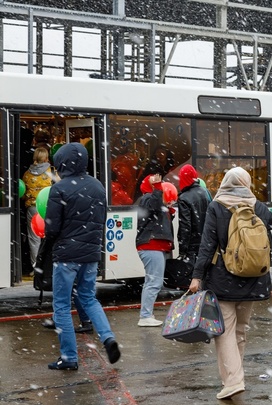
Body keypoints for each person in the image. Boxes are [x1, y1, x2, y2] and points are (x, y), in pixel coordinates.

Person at [188, 167, 272, 400]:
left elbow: (207, 245)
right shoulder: (255, 205)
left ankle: (233, 380)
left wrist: (197, 276)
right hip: (253, 276)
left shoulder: (217, 206)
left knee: (224, 332)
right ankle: (234, 377)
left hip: (223, 277)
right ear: (246, 184)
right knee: (240, 330)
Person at [44, 142, 120, 370]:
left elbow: (51, 229)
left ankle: (68, 357)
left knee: (61, 306)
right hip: (91, 253)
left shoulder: (59, 188)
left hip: (67, 255)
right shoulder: (98, 186)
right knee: (88, 298)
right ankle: (108, 338)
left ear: (62, 163)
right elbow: (101, 218)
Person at [135, 174, 175, 327]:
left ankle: (147, 314)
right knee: (154, 282)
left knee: (152, 281)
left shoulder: (151, 200)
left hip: (153, 246)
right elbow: (154, 205)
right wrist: (157, 188)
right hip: (151, 246)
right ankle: (145, 316)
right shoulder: (148, 198)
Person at [22, 147, 57, 267]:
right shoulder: (51, 172)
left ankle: (35, 267)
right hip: (49, 207)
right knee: (51, 236)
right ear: (46, 158)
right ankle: (48, 266)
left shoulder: (27, 174)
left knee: (34, 238)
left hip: (32, 207)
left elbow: (23, 193)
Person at [177, 164, 211, 262]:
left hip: (192, 246)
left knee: (191, 275)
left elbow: (185, 226)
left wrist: (182, 251)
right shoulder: (205, 192)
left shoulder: (184, 198)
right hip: (206, 242)